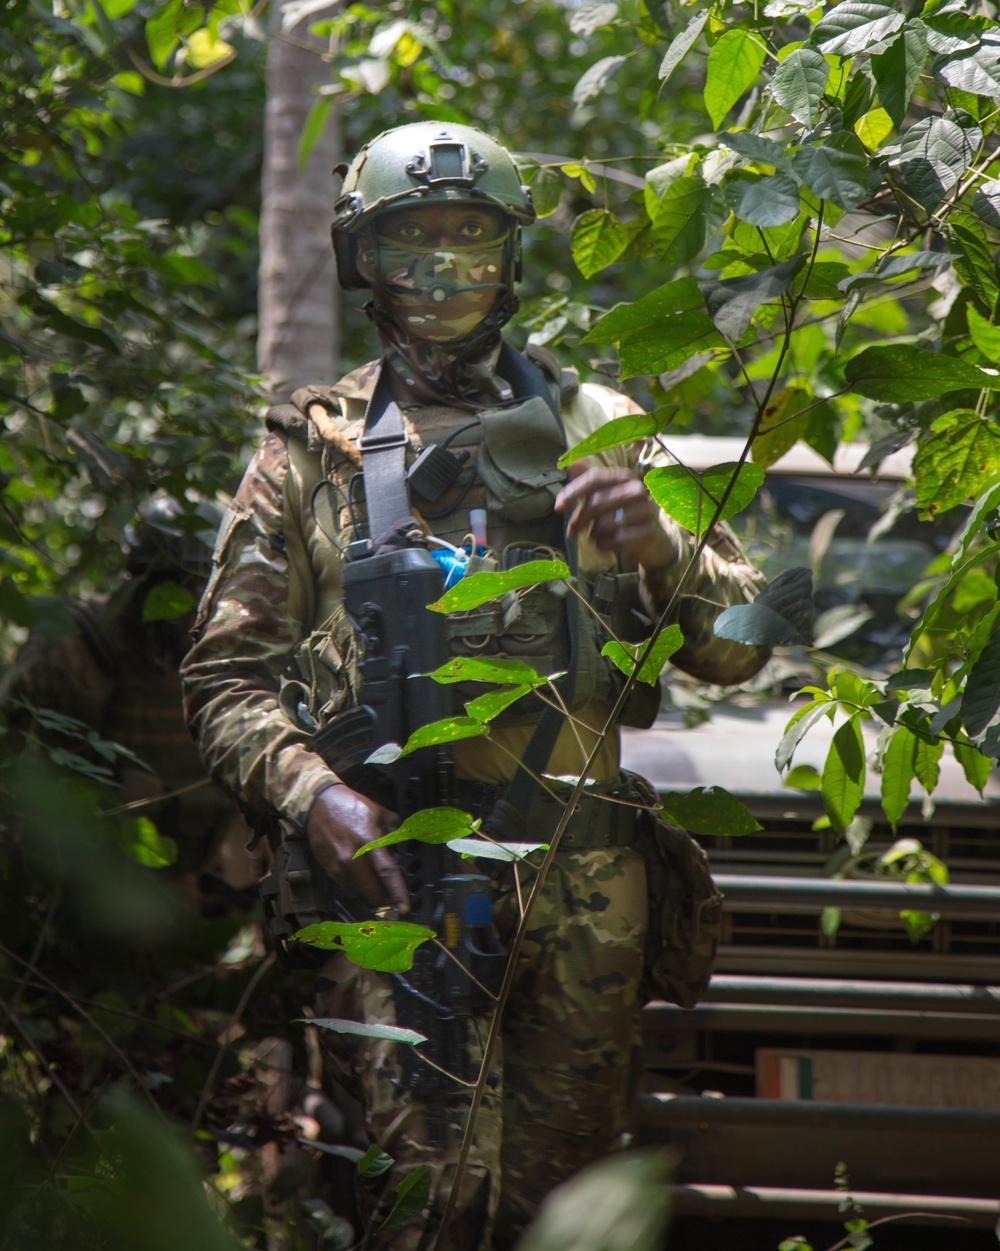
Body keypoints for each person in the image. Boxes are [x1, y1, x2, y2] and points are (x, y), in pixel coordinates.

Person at [181, 122, 770, 1249]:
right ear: (366, 259)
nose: (444, 268)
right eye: (412, 240)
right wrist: (317, 798)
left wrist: (663, 548)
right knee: (424, 1206)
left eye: (470, 237)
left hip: (583, 896)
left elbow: (740, 646)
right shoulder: (313, 450)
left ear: (509, 258)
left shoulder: (603, 430)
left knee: (568, 1215)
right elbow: (226, 676)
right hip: (396, 885)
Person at [1, 494, 261, 904]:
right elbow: (23, 788)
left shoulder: (221, 659)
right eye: (191, 587)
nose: (202, 607)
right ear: (146, 583)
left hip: (183, 899)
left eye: (212, 588)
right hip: (80, 901)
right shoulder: (78, 649)